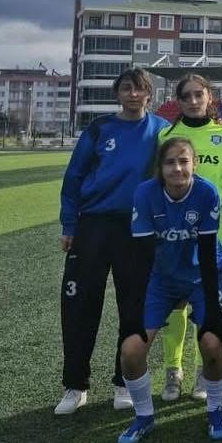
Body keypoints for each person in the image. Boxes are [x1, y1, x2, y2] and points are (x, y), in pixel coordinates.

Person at [57, 67, 169, 415]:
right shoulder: (99, 128)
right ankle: (75, 386)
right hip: (93, 224)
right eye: (126, 89)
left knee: (133, 305)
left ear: (149, 94)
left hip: (137, 227)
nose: (133, 95)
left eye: (139, 89)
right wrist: (69, 223)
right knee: (80, 304)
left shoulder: (162, 130)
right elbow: (74, 176)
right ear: (117, 93)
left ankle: (125, 382)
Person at [116, 138, 222, 443]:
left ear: (194, 164)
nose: (177, 168)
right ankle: (143, 417)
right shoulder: (145, 193)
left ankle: (216, 409)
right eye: (170, 162)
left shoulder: (206, 192)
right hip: (161, 279)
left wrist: (212, 310)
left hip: (202, 275)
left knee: (211, 343)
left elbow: (207, 253)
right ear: (160, 167)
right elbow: (141, 256)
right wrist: (133, 308)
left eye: (184, 161)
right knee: (131, 350)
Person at [156, 73, 222, 402]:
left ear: (209, 97)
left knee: (210, 305)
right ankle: (172, 370)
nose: (193, 101)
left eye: (198, 95)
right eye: (186, 96)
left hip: (215, 235)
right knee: (175, 305)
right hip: (174, 233)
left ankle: (206, 370)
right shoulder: (166, 135)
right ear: (178, 101)